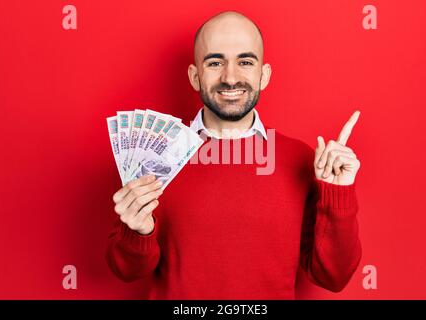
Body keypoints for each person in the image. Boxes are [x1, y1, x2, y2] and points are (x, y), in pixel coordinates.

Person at [106, 11, 362, 299]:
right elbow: (127, 271)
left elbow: (333, 276)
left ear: (263, 75)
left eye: (245, 62)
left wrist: (338, 195)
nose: (230, 77)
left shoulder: (301, 160)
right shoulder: (156, 156)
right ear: (194, 76)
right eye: (215, 62)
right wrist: (137, 232)